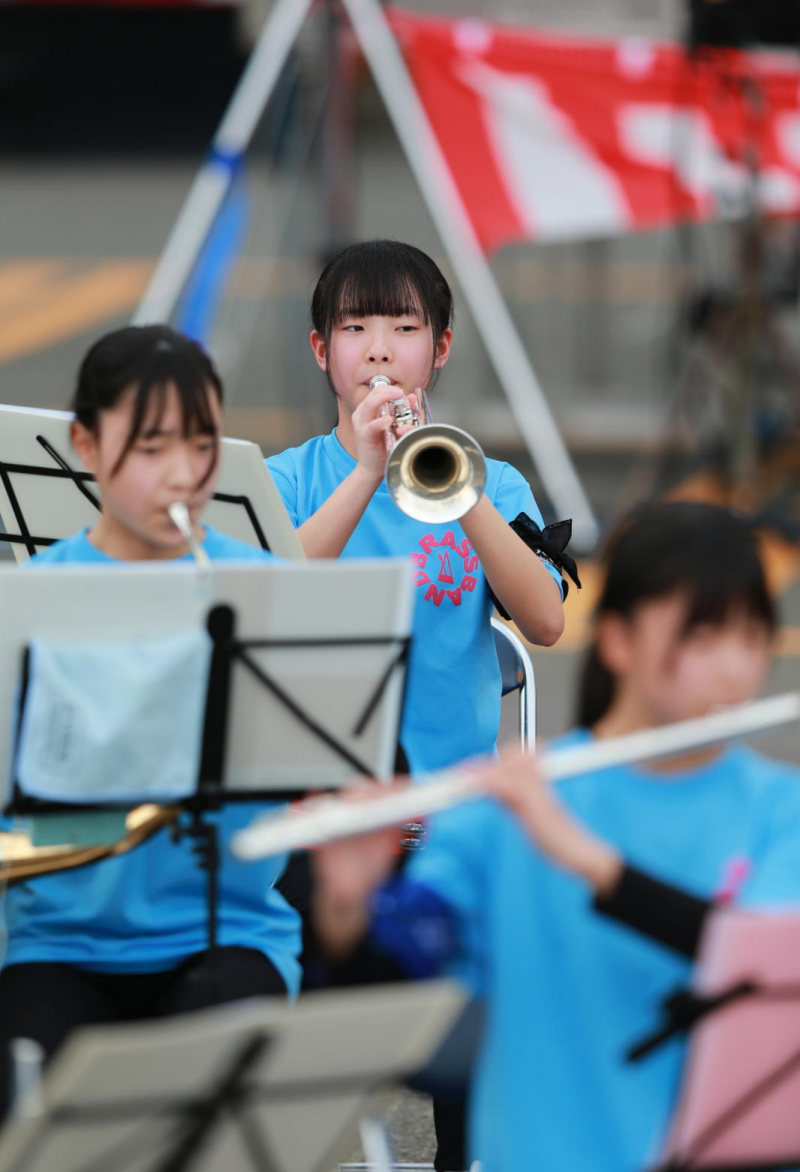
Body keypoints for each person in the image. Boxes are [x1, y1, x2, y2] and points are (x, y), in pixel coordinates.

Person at [311, 501, 800, 1172]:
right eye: (701, 638)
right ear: (618, 640)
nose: (733, 669)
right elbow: (404, 1002)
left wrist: (588, 861)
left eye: (750, 638)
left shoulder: (780, 810)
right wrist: (349, 908)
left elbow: (758, 958)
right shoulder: (505, 811)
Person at [0, 325, 301, 1115]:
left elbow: (324, 774)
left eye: (202, 445)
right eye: (151, 448)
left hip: (228, 933)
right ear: (86, 446)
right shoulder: (30, 603)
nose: (183, 475)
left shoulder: (266, 590)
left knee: (207, 1109)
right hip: (58, 943)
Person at [267, 239, 572, 778]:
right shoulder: (286, 480)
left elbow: (546, 623)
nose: (379, 351)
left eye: (405, 329)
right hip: (316, 796)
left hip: (450, 797)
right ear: (321, 349)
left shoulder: (495, 484)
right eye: (354, 328)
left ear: (441, 348)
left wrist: (457, 485)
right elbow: (267, 604)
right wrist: (366, 472)